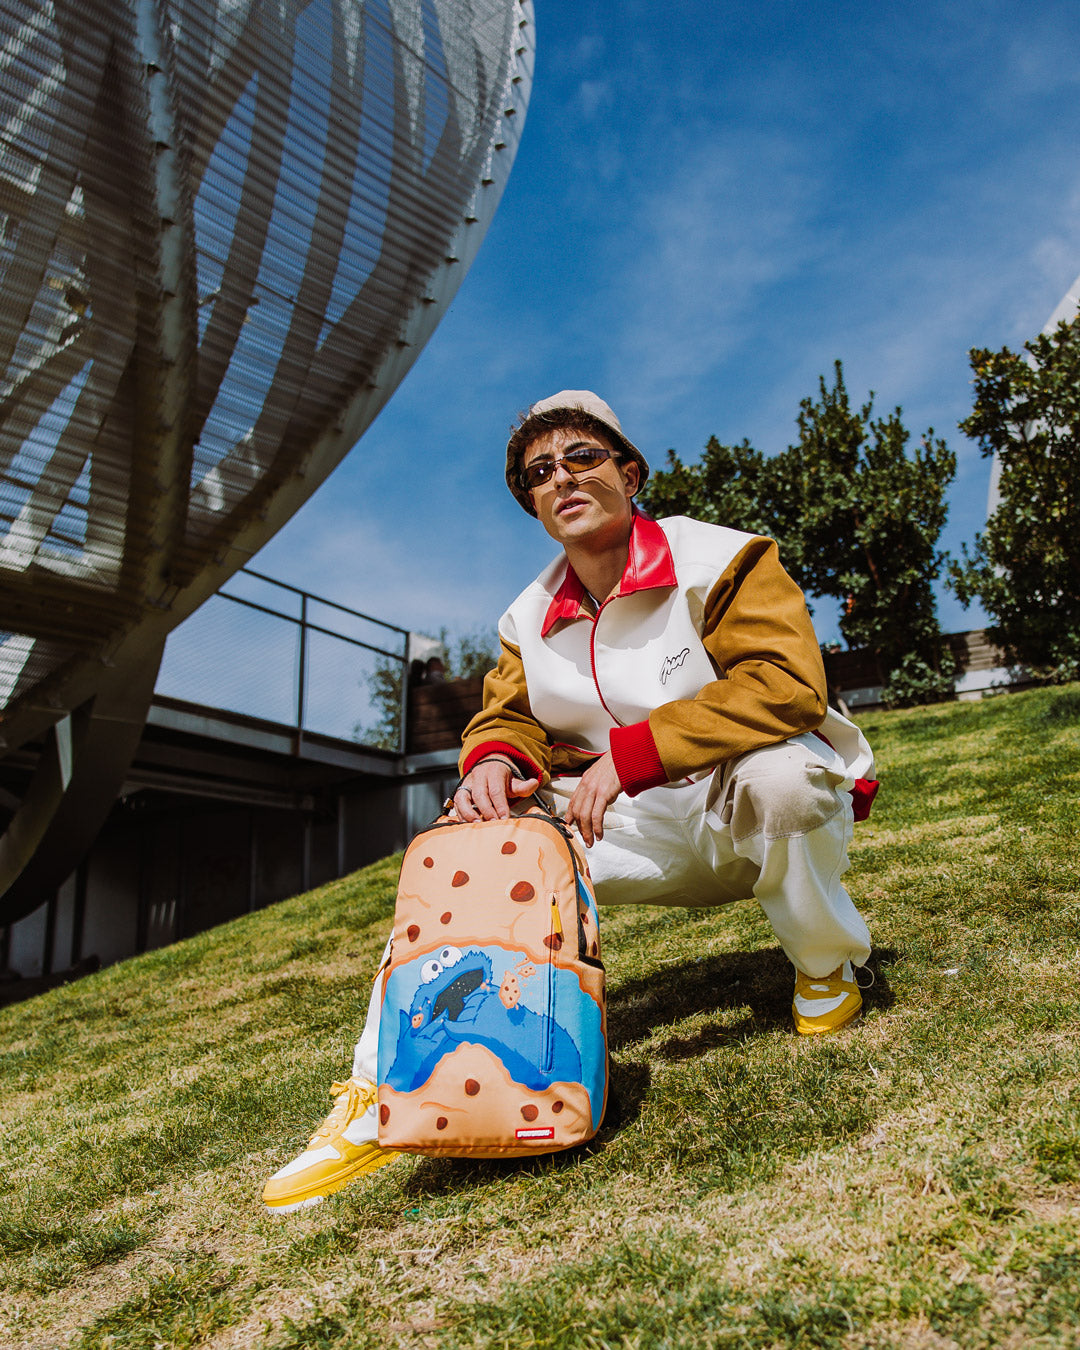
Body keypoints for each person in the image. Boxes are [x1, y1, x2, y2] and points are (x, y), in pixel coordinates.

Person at [262, 390, 878, 1213]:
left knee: (783, 778)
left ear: (630, 473)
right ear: (533, 503)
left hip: (737, 803)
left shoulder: (722, 559)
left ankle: (824, 966)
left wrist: (633, 754)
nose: (562, 478)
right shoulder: (525, 615)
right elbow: (506, 715)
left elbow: (785, 685)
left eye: (582, 457)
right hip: (622, 830)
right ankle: (383, 1093)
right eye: (538, 473)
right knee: (467, 846)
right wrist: (489, 759)